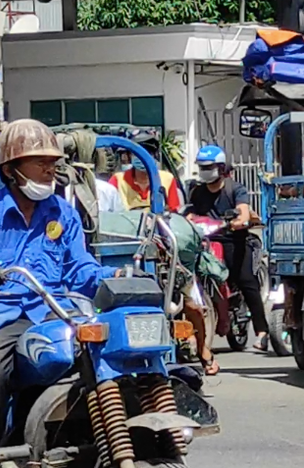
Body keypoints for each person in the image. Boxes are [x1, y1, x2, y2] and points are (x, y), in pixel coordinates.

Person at [0, 119, 117, 462]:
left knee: (98, 359)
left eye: (53, 163)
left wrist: (113, 277)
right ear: (10, 170)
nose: (49, 170)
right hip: (1, 315)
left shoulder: (63, 214)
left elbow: (79, 267)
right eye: (40, 163)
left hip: (54, 312)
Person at [185, 144, 271, 359]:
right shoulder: (197, 192)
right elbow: (190, 213)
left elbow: (243, 212)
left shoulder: (235, 189)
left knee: (246, 282)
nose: (205, 171)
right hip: (207, 243)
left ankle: (262, 332)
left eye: (209, 167)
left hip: (234, 241)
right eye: (202, 167)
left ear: (221, 168)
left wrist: (239, 221)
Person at [111, 135, 182, 213]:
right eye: (137, 154)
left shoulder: (167, 179)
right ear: (129, 156)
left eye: (148, 153)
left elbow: (173, 212)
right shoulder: (117, 180)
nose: (142, 157)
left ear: (155, 155)